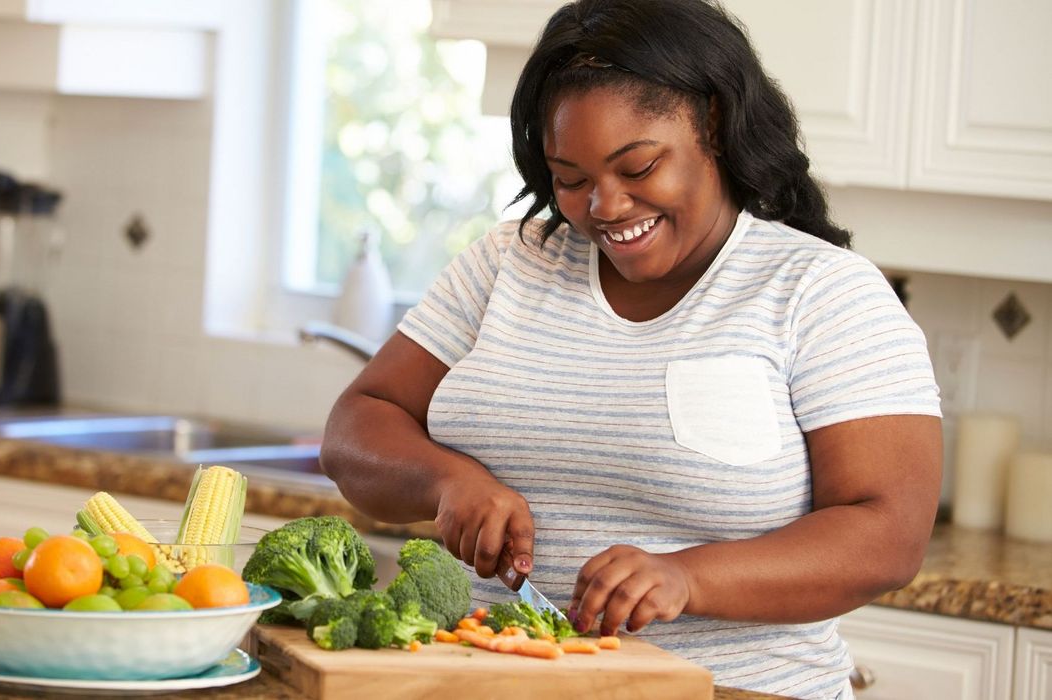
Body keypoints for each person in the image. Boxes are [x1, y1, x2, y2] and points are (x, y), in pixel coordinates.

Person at [319, 0, 942, 697]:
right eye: (571, 179)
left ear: (711, 122)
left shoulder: (820, 291)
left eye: (637, 168)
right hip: (494, 683)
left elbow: (887, 536)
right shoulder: (510, 262)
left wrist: (686, 577)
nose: (604, 207)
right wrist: (445, 481)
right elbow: (356, 426)